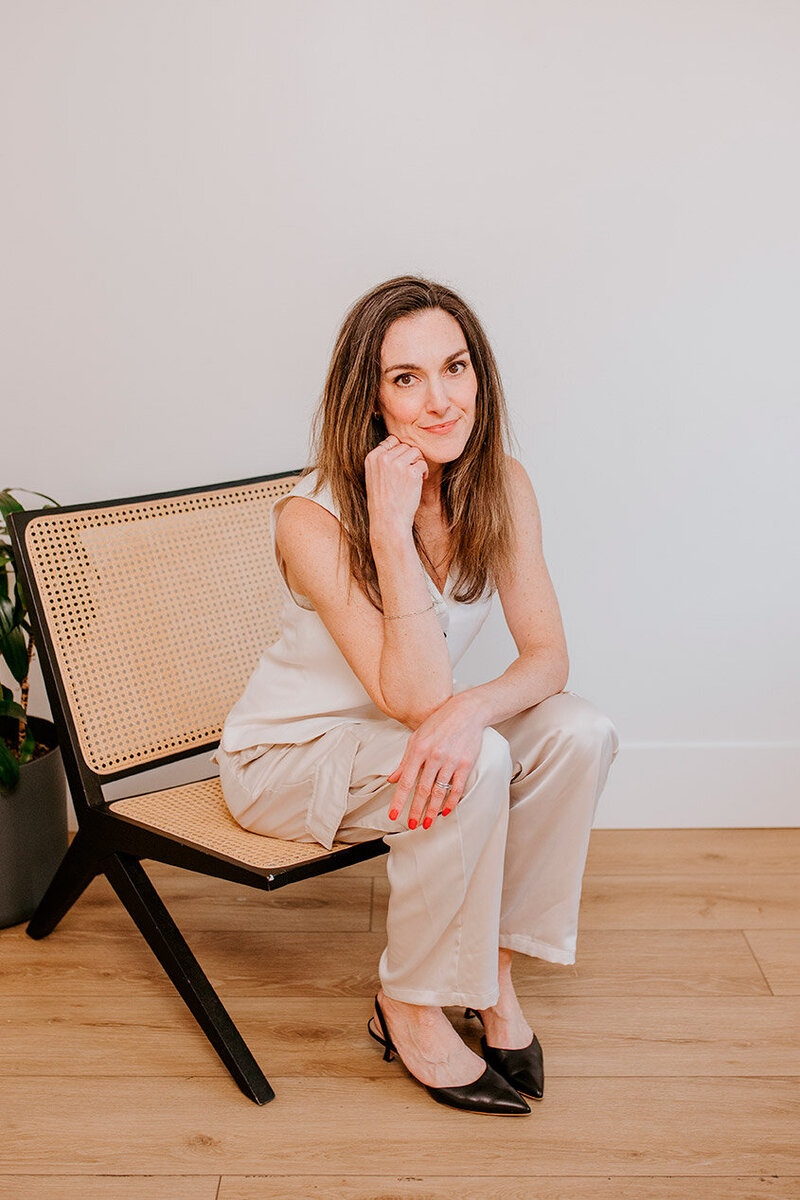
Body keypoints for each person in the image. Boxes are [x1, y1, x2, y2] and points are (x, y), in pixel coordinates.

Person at [211, 274, 620, 1116]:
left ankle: (493, 973)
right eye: (407, 378)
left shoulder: (499, 483)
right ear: (371, 399)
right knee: (477, 763)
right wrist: (390, 529)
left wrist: (472, 710)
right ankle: (408, 1001)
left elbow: (549, 659)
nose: (441, 400)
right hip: (286, 761)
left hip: (410, 734)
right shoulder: (311, 519)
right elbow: (413, 692)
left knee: (580, 731)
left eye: (455, 367)